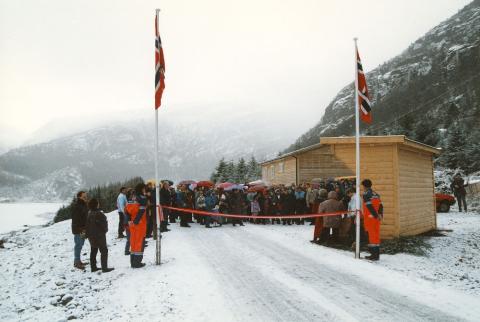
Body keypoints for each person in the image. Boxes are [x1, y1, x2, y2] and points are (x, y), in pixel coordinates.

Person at [86, 198, 114, 273]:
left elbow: (87, 225)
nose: (99, 204)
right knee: (104, 250)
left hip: (91, 235)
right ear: (96, 204)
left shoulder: (89, 213)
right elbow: (104, 224)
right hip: (99, 235)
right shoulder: (99, 213)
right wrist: (105, 230)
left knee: (93, 250)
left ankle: (93, 267)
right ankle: (104, 268)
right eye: (98, 203)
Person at [126, 183, 148, 268]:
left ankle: (132, 261)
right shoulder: (142, 198)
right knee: (140, 242)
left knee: (133, 242)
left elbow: (127, 210)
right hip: (140, 223)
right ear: (141, 189)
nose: (145, 190)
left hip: (132, 223)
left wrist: (129, 221)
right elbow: (141, 211)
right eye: (144, 188)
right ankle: (137, 262)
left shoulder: (131, 198)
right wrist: (136, 221)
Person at [362, 179, 383, 261]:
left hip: (370, 218)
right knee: (376, 235)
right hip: (376, 218)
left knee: (371, 236)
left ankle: (373, 255)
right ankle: (377, 255)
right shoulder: (376, 194)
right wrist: (380, 215)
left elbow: (369, 206)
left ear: (364, 186)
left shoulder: (366, 194)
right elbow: (381, 205)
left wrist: (375, 215)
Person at [72, 191, 88, 270]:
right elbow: (76, 220)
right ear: (79, 197)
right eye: (84, 196)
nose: (86, 197)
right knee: (78, 245)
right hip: (79, 230)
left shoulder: (83, 205)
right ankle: (76, 262)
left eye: (86, 196)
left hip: (83, 229)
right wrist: (80, 229)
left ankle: (78, 261)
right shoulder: (77, 206)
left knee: (80, 245)